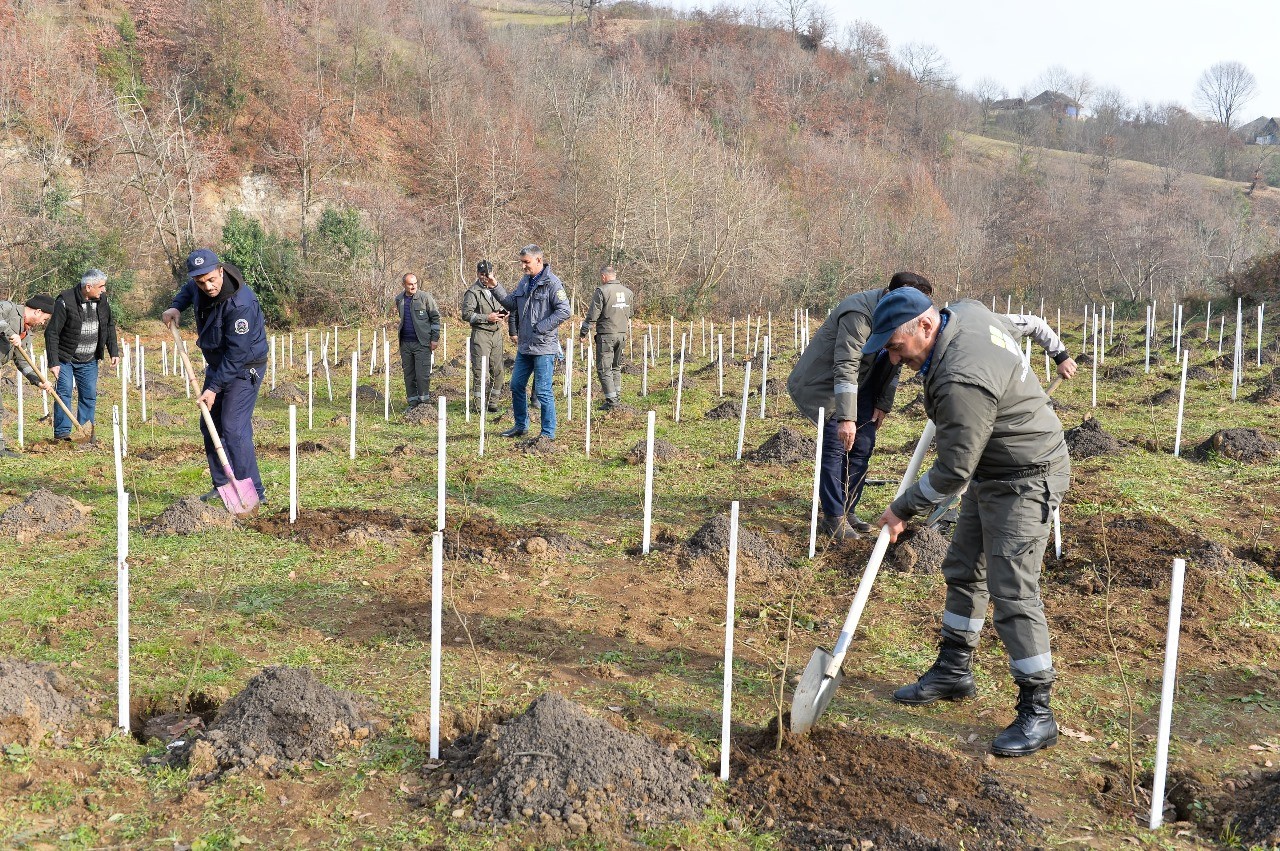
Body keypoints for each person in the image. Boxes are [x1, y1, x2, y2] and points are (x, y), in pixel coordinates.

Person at [865, 287, 1070, 758]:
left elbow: (953, 472)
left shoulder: (960, 377)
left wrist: (902, 509)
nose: (894, 360)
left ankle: (1038, 711)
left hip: (1027, 474)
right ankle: (954, 670)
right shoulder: (968, 313)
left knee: (1012, 589)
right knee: (963, 568)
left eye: (896, 347)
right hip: (994, 467)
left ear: (925, 325)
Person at [785, 272, 930, 539]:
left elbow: (896, 360)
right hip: (830, 384)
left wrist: (883, 403)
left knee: (863, 445)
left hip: (865, 383)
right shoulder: (859, 313)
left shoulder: (906, 321)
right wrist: (846, 418)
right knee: (836, 445)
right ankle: (834, 515)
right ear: (893, 296)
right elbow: (846, 365)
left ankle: (849, 508)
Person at [161, 249, 269, 504]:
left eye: (211, 279)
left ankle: (255, 493)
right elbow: (188, 290)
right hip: (217, 364)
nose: (207, 286)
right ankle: (223, 486)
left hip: (244, 367)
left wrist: (214, 388)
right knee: (209, 426)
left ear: (221, 270)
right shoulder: (197, 285)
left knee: (233, 428)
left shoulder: (241, 304)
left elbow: (237, 354)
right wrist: (176, 306)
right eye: (201, 282)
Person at [484, 245, 570, 440]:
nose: (523, 266)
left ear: (538, 260)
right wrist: (495, 285)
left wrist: (541, 327)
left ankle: (547, 433)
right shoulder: (525, 282)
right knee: (516, 385)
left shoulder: (553, 284)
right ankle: (521, 426)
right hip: (525, 346)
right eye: (521, 262)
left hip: (544, 347)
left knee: (543, 391)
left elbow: (564, 311)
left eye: (526, 262)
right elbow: (511, 303)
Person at [44, 269, 120, 442]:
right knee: (64, 393)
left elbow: (109, 326)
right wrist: (53, 362)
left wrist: (113, 351)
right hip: (66, 359)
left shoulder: (102, 301)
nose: (104, 290)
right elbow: (52, 333)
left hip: (89, 359)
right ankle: (62, 434)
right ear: (88, 287)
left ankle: (84, 434)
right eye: (101, 287)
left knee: (89, 394)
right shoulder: (65, 301)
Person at [0, 295, 56, 457]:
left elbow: (23, 362)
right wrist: (11, 333)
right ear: (38, 312)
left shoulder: (26, 333)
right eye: (44, 318)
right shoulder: (9, 309)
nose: (43, 322)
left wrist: (38, 381)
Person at [578, 264, 633, 409]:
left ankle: (612, 402)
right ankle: (617, 397)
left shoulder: (601, 291)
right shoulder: (628, 292)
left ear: (604, 276)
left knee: (604, 368)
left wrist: (583, 331)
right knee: (616, 367)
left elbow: (593, 314)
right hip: (622, 334)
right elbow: (630, 313)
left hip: (606, 335)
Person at [461, 261, 506, 413]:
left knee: (498, 372)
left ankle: (492, 403)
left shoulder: (497, 289)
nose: (485, 277)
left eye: (487, 274)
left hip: (497, 334)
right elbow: (466, 315)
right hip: (481, 334)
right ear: (478, 274)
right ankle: (478, 406)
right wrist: (487, 317)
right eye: (482, 274)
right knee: (481, 372)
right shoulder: (473, 292)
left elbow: (506, 303)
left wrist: (504, 312)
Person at [393, 273, 440, 410]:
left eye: (415, 283)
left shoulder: (425, 298)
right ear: (404, 285)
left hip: (422, 343)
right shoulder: (399, 299)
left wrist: (434, 339)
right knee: (409, 375)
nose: (413, 286)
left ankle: (424, 405)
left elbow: (435, 318)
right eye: (410, 284)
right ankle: (412, 404)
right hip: (406, 343)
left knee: (422, 375)